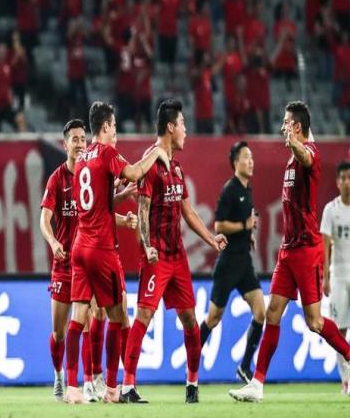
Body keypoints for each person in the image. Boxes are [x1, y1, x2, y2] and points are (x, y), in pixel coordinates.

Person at [229, 101, 350, 402]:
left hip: (306, 250)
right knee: (273, 312)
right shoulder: (291, 161)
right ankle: (257, 384)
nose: (282, 127)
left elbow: (306, 155)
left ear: (298, 127)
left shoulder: (309, 154)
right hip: (288, 251)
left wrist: (295, 143)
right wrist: (293, 144)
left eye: (286, 122)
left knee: (314, 322)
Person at [119, 99, 227, 404]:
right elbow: (142, 210)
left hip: (177, 256)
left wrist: (211, 239)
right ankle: (127, 387)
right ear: (170, 127)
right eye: (182, 124)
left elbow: (188, 212)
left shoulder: (176, 168)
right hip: (156, 255)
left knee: (190, 320)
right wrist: (147, 246)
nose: (186, 130)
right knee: (144, 315)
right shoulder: (150, 163)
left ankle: (192, 384)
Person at [64, 101, 170, 403]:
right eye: (114, 127)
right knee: (117, 315)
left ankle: (73, 388)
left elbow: (95, 200)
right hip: (101, 248)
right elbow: (135, 172)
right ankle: (112, 389)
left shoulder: (82, 159)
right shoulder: (107, 152)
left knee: (78, 317)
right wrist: (156, 153)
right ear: (106, 126)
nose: (116, 133)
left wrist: (119, 192)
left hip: (80, 246)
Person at [40, 118, 137, 402]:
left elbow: (99, 212)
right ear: (65, 144)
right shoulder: (57, 179)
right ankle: (60, 375)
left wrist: (122, 215)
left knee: (95, 316)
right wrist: (53, 242)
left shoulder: (91, 169)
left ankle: (91, 379)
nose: (80, 143)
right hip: (64, 263)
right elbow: (44, 219)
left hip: (87, 258)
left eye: (83, 138)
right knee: (59, 332)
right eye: (75, 139)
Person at [200, 141, 265, 383]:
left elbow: (245, 223)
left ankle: (245, 367)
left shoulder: (248, 190)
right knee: (213, 318)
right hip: (227, 264)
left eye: (252, 157)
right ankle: (192, 359)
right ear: (236, 163)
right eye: (246, 157)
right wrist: (243, 226)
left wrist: (250, 235)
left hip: (244, 262)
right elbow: (218, 225)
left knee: (261, 312)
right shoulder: (230, 189)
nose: (251, 161)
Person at [320, 161, 350, 394]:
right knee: (340, 331)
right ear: (337, 182)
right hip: (339, 275)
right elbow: (325, 245)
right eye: (342, 178)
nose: (346, 182)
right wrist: (325, 276)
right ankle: (345, 378)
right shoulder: (331, 209)